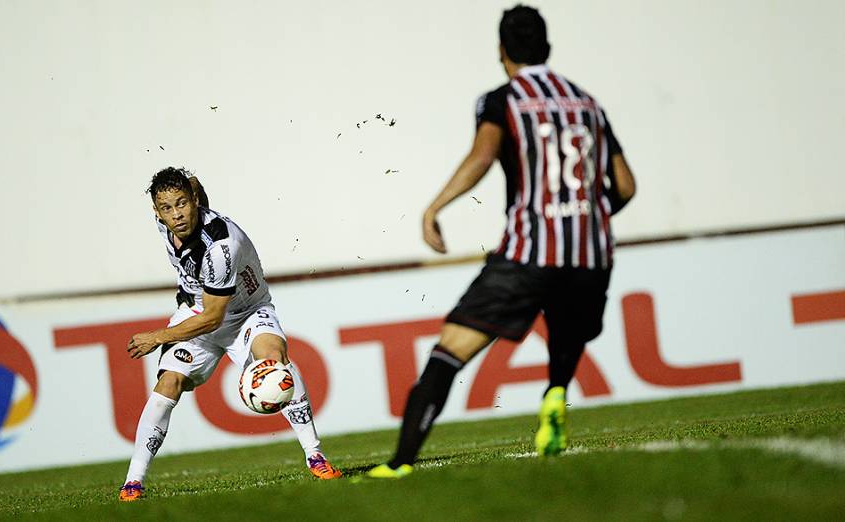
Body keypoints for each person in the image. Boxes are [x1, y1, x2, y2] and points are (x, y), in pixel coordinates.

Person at [368, 5, 636, 478]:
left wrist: (435, 208)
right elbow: (626, 186)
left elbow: (483, 154)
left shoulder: (503, 99)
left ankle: (401, 464)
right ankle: (556, 392)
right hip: (593, 256)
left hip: (528, 256)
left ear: (501, 52)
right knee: (567, 329)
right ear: (548, 48)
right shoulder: (588, 102)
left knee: (448, 352)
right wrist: (586, 218)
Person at [119, 167, 341, 501]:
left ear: (194, 201)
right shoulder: (166, 221)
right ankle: (133, 483)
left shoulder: (221, 248)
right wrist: (188, 183)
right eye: (167, 208)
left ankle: (315, 455)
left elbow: (212, 318)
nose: (177, 214)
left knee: (275, 360)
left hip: (245, 312)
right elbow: (204, 311)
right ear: (157, 211)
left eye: (183, 203)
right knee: (168, 384)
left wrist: (157, 336)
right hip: (195, 308)